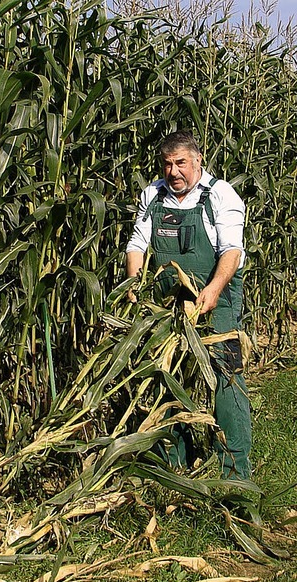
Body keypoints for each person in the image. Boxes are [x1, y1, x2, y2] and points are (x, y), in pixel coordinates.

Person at [126, 130, 251, 480]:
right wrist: (136, 284)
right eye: (167, 164)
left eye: (181, 162)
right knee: (168, 379)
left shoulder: (219, 195)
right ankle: (174, 466)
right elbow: (137, 244)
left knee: (226, 380)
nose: (173, 171)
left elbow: (231, 250)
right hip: (168, 302)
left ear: (197, 160)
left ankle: (234, 472)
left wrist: (211, 292)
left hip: (216, 298)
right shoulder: (153, 195)